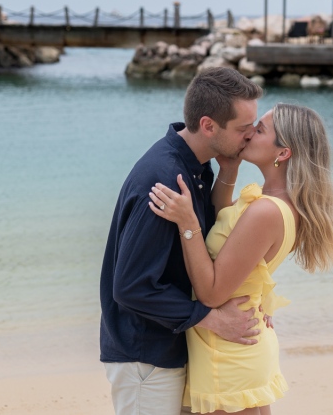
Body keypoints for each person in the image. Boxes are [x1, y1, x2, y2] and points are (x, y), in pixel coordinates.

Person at [148, 103, 333, 414]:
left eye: (261, 130)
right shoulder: (271, 200)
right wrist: (229, 170)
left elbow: (212, 292)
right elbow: (225, 220)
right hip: (234, 343)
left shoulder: (266, 211)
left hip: (227, 355)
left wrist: (188, 224)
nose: (250, 133)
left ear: (283, 153)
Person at [100, 67, 264, 415]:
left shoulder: (197, 166)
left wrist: (228, 172)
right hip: (145, 355)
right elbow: (130, 287)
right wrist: (213, 319)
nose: (250, 137)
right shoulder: (165, 182)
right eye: (242, 129)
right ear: (208, 125)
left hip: (170, 345)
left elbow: (210, 237)